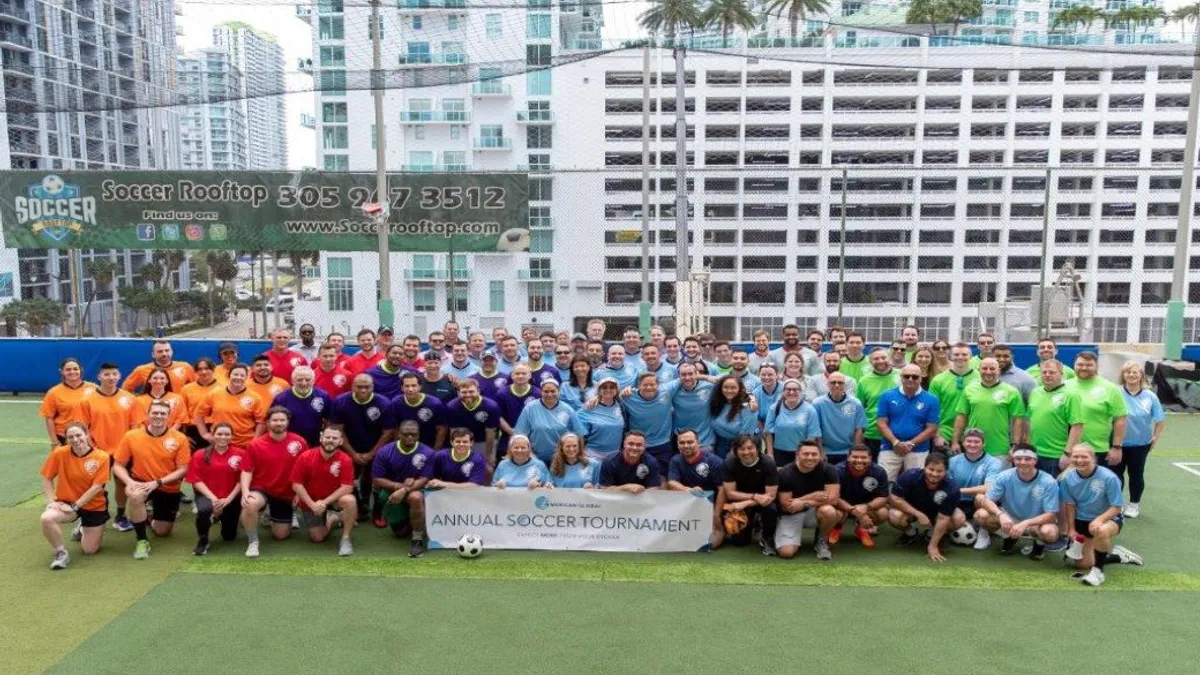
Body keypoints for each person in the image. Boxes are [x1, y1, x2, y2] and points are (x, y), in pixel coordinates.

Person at [113, 401, 191, 559]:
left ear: (169, 417)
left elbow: (183, 469)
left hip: (166, 486)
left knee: (162, 532)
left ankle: (143, 517)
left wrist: (158, 482)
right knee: (135, 496)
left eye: (163, 413)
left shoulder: (179, 438)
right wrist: (129, 482)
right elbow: (118, 466)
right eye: (155, 412)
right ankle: (142, 540)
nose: (158, 416)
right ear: (147, 415)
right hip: (140, 482)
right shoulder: (132, 436)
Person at [1060, 443, 1143, 586]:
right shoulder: (1067, 478)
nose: (1080, 460)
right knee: (1083, 564)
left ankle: (1098, 573)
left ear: (1093, 457)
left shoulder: (1109, 477)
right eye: (1076, 456)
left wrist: (1099, 520)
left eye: (1084, 456)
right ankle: (1118, 556)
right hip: (1082, 520)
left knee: (1101, 530)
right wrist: (1071, 529)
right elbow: (1070, 505)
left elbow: (1117, 507)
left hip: (1109, 518)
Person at [40, 422, 110, 570]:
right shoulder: (59, 453)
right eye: (70, 437)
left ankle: (82, 527)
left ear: (87, 435)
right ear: (66, 439)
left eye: (79, 435)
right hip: (66, 503)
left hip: (93, 506)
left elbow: (97, 487)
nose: (75, 439)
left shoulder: (102, 457)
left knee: (89, 550)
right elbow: (47, 477)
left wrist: (76, 506)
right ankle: (60, 553)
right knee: (46, 518)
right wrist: (51, 501)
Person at [239, 407, 308, 557]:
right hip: (261, 489)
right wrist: (245, 492)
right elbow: (247, 470)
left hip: (285, 493)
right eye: (275, 420)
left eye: (282, 420)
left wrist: (299, 494)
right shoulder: (255, 444)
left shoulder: (299, 442)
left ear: (287, 422)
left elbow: (305, 470)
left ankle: (269, 515)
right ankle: (253, 542)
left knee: (281, 535)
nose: (279, 423)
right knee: (250, 503)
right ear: (268, 423)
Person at [329, 374, 395, 523]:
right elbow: (338, 430)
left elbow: (388, 432)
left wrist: (372, 453)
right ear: (352, 386)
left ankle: (377, 511)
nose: (363, 390)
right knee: (348, 479)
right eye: (359, 386)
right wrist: (352, 453)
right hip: (349, 447)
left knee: (376, 479)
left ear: (373, 387)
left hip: (377, 447)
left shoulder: (383, 403)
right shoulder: (341, 402)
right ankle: (359, 508)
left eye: (367, 387)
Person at [975, 445, 1060, 560]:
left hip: (1035, 522)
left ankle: (1038, 544)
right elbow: (987, 500)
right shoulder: (1004, 476)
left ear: (1035, 460)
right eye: (1018, 458)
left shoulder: (1048, 481)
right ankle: (1009, 537)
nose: (1023, 462)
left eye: (1027, 459)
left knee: (1050, 532)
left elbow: (1051, 515)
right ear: (1013, 460)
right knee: (980, 515)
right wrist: (1001, 515)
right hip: (1011, 518)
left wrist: (1025, 523)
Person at [79, 363, 137, 530]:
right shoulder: (87, 400)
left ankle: (120, 516)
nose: (111, 378)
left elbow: (134, 426)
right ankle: (88, 518)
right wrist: (92, 448)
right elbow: (83, 427)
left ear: (119, 376)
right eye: (106, 374)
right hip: (98, 451)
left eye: (114, 374)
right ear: (99, 377)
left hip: (123, 451)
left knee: (121, 483)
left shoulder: (129, 398)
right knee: (95, 486)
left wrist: (129, 447)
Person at [290, 427, 357, 557]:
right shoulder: (306, 456)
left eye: (334, 438)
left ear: (340, 441)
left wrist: (324, 503)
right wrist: (312, 504)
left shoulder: (345, 459)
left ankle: (346, 539)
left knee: (349, 500)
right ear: (321, 438)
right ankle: (333, 518)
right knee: (317, 537)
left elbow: (347, 487)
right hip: (312, 501)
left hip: (334, 500)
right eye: (327, 437)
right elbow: (296, 484)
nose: (330, 440)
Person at [371, 421, 435, 556]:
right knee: (400, 533)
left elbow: (425, 479)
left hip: (417, 491)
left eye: (414, 435)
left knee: (415, 497)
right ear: (398, 434)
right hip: (392, 493)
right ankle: (415, 520)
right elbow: (377, 479)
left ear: (418, 435)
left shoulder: (428, 452)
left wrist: (405, 490)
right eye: (406, 434)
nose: (410, 437)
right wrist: (400, 486)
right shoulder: (385, 451)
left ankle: (417, 539)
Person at [888, 453, 966, 562]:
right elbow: (895, 498)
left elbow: (943, 518)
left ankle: (932, 535)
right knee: (894, 515)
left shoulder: (952, 487)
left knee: (959, 518)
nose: (934, 474)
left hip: (937, 514)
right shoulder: (910, 475)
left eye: (939, 471)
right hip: (911, 511)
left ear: (946, 471)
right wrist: (918, 514)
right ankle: (910, 532)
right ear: (924, 467)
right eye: (931, 469)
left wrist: (933, 546)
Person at [1114, 361, 1166, 519]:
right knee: (1115, 476)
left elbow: (1160, 420)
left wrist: (1155, 438)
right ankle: (1116, 505)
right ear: (1123, 375)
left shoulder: (1150, 396)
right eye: (1128, 372)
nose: (1131, 375)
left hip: (1140, 444)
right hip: (1117, 444)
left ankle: (1134, 504)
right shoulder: (1115, 392)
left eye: (1135, 372)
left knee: (1136, 475)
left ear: (1141, 376)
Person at [185, 422, 246, 555]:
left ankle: (217, 517)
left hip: (231, 498)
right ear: (213, 435)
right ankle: (203, 539)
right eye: (219, 434)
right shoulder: (200, 454)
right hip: (208, 496)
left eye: (227, 434)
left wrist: (228, 500)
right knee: (204, 510)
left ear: (232, 436)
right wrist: (214, 499)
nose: (223, 437)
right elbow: (195, 480)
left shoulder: (241, 454)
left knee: (229, 537)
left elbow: (242, 480)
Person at [952, 358, 1026, 463]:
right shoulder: (969, 390)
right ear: (978, 370)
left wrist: (1015, 445)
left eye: (992, 369)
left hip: (1000, 448)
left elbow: (1018, 421)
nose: (988, 372)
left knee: (998, 479)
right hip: (973, 447)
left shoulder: (1011, 392)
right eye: (984, 368)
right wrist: (955, 441)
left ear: (998, 370)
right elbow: (961, 417)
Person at [775, 441, 840, 561]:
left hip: (813, 511)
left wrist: (804, 502)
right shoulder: (786, 472)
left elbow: (833, 499)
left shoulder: (829, 469)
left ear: (820, 455)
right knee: (786, 552)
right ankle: (776, 531)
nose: (810, 457)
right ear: (797, 455)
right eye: (806, 454)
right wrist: (814, 495)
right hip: (791, 513)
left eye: (814, 454)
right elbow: (786, 505)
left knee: (829, 511)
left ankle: (821, 540)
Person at [876, 364, 941, 483]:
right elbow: (881, 423)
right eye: (907, 376)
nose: (910, 379)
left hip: (919, 449)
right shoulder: (887, 396)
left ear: (921, 379)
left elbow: (932, 428)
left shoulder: (932, 399)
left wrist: (910, 444)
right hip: (890, 446)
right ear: (901, 377)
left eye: (915, 377)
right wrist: (896, 442)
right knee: (884, 482)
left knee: (916, 483)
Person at [666, 428, 726, 549]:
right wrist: (689, 490)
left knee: (711, 544)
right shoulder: (675, 460)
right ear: (677, 444)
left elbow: (722, 489)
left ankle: (719, 527)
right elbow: (672, 483)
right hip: (688, 505)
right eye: (682, 443)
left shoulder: (714, 461)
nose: (686, 445)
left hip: (711, 506)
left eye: (690, 442)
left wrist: (716, 514)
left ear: (698, 442)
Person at [722, 435, 780, 555]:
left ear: (758, 449)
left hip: (762, 501)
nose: (746, 452)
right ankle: (755, 523)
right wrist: (753, 497)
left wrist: (746, 502)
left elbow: (771, 495)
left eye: (750, 448)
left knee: (771, 509)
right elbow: (730, 493)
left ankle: (767, 538)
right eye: (742, 449)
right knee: (739, 542)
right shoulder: (729, 463)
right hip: (742, 499)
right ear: (735, 451)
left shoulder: (768, 463)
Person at [947, 429, 1004, 549]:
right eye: (969, 441)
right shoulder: (953, 461)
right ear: (963, 442)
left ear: (983, 443)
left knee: (980, 497)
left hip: (979, 504)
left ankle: (983, 533)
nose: (972, 445)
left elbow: (988, 488)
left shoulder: (994, 462)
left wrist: (960, 490)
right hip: (958, 502)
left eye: (977, 442)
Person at [1070, 351, 1128, 468]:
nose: (1084, 368)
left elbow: (1120, 419)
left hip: (1098, 450)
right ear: (1074, 365)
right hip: (1068, 449)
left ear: (1097, 366)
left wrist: (1116, 447)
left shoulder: (1110, 388)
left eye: (1089, 365)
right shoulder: (1065, 386)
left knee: (1097, 486)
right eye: (1080, 364)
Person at [1026, 360, 1084, 476]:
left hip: (1057, 455)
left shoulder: (1071, 395)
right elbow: (1029, 421)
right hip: (1035, 454)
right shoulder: (1035, 393)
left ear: (1062, 374)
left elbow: (1077, 426)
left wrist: (1067, 454)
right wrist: (1028, 448)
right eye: (1044, 372)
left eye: (1052, 372)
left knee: (1055, 491)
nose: (1047, 375)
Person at [194, 363, 267, 448]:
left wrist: (255, 440)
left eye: (242, 375)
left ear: (247, 377)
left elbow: (262, 422)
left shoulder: (255, 397)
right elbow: (198, 414)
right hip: (219, 443)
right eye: (235, 374)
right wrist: (205, 434)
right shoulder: (215, 394)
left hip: (245, 444)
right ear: (229, 375)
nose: (238, 377)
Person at [831, 445, 889, 549]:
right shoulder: (837, 470)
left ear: (870, 458)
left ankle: (861, 529)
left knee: (883, 513)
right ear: (848, 457)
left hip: (865, 507)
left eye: (863, 457)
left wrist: (866, 508)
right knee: (832, 512)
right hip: (842, 507)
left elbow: (883, 497)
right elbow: (833, 496)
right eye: (855, 457)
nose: (859, 460)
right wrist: (854, 511)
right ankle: (836, 527)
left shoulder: (879, 472)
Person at [514, 380, 585, 463]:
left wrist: (580, 455)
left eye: (553, 391)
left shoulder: (567, 409)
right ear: (541, 392)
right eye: (546, 391)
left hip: (562, 459)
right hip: (535, 459)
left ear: (558, 391)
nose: (549, 394)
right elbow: (520, 435)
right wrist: (530, 455)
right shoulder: (530, 408)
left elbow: (579, 434)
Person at [619, 373, 677, 475]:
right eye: (645, 385)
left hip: (662, 444)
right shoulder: (628, 396)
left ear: (657, 385)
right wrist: (595, 399)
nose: (649, 387)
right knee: (637, 477)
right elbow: (609, 396)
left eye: (652, 384)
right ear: (639, 385)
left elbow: (684, 378)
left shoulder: (666, 391)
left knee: (662, 477)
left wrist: (707, 377)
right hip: (638, 446)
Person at [928, 342, 979, 449]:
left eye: (964, 354)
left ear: (970, 356)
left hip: (973, 434)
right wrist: (937, 436)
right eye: (956, 354)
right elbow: (931, 410)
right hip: (945, 433)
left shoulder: (980, 378)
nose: (960, 357)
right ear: (950, 356)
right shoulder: (938, 380)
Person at [443, 378, 501, 468]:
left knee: (486, 467)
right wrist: (456, 451)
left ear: (478, 391)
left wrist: (488, 455)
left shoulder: (491, 406)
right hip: (462, 440)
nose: (468, 395)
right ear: (458, 393)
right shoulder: (452, 407)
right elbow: (453, 432)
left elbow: (490, 433)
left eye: (471, 392)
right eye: (464, 392)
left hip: (483, 441)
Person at [764, 379, 822, 466]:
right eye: (788, 389)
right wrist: (770, 453)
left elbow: (812, 435)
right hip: (779, 452)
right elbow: (768, 433)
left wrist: (804, 453)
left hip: (801, 453)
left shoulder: (809, 410)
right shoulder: (775, 408)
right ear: (783, 391)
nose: (791, 392)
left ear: (801, 391)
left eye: (795, 389)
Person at [271, 366, 332, 447]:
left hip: (315, 443)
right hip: (289, 444)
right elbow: (272, 422)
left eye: (308, 380)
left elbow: (329, 420)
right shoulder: (281, 399)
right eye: (299, 380)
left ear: (313, 381)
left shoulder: (323, 396)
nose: (304, 383)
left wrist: (325, 436)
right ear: (292, 381)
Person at [41, 358, 96, 447]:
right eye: (68, 370)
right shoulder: (53, 392)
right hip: (65, 437)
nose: (72, 372)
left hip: (89, 436)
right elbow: (49, 418)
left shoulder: (94, 388)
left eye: (75, 369)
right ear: (61, 371)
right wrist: (55, 442)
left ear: (81, 370)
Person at [857, 348, 902, 458]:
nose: (880, 361)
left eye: (883, 357)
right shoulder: (864, 381)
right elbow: (860, 409)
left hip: (898, 432)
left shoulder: (901, 376)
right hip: (872, 432)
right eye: (876, 359)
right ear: (871, 362)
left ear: (889, 358)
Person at [812, 373, 867, 462]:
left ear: (844, 385)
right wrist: (820, 451)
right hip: (826, 452)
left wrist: (854, 452)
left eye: (840, 383)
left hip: (848, 451)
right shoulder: (818, 404)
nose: (837, 385)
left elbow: (859, 429)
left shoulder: (856, 403)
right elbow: (816, 430)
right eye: (833, 382)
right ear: (828, 385)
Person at [392, 372, 448, 451]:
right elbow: (396, 428)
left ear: (420, 387)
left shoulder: (435, 404)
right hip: (406, 446)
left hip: (428, 446)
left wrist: (435, 451)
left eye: (414, 385)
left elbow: (442, 429)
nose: (410, 389)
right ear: (402, 388)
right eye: (407, 386)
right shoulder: (396, 403)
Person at [709, 375, 760, 458]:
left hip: (741, 444)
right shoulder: (717, 402)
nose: (729, 390)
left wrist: (733, 450)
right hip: (719, 442)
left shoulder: (747, 406)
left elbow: (746, 432)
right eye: (725, 387)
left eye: (733, 388)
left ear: (739, 389)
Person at [671, 363, 716, 451]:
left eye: (690, 374)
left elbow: (731, 380)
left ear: (697, 374)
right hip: (682, 441)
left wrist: (705, 377)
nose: (687, 378)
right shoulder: (673, 390)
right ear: (678, 376)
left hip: (705, 440)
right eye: (683, 375)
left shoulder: (709, 386)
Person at [122, 340, 195, 393]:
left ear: (172, 352)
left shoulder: (185, 367)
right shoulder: (141, 370)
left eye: (167, 350)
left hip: (178, 409)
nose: (164, 354)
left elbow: (198, 387)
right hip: (154, 411)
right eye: (160, 351)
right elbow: (125, 389)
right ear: (153, 354)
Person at [579, 378, 626, 460]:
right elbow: (577, 427)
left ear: (617, 390)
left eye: (612, 387)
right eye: (604, 387)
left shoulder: (621, 405)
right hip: (592, 455)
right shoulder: (590, 406)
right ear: (599, 390)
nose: (608, 390)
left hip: (615, 455)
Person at [181, 357, 221, 449]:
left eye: (207, 368)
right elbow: (182, 414)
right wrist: (183, 435)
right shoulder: (186, 389)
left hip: (216, 429)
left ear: (213, 369)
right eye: (200, 369)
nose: (203, 372)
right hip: (193, 430)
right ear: (196, 372)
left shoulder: (223, 387)